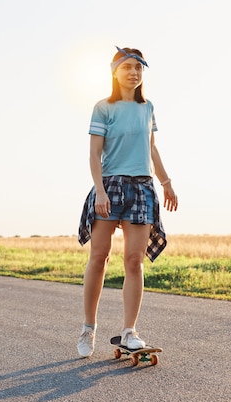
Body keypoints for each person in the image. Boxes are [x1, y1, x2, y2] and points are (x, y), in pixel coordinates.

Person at [76, 46, 178, 357]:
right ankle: (88, 329)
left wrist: (166, 183)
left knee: (135, 261)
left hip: (142, 188)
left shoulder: (148, 108)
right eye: (128, 67)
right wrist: (100, 191)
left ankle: (129, 330)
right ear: (115, 72)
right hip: (110, 186)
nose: (134, 72)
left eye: (139, 68)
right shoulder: (103, 108)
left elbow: (152, 149)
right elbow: (94, 154)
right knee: (99, 257)